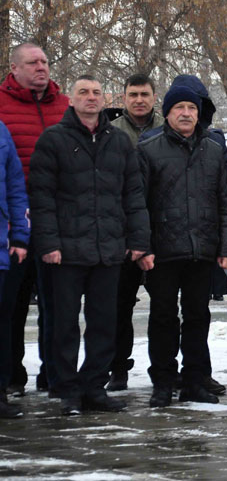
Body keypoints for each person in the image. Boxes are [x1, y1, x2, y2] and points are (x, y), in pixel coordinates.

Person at [29, 75, 150, 415]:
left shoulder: (119, 142)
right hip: (65, 252)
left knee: (103, 323)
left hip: (108, 250)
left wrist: (138, 241)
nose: (91, 98)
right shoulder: (53, 140)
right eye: (84, 92)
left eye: (96, 92)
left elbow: (133, 195)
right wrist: (48, 242)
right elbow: (41, 198)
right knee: (63, 324)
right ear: (72, 99)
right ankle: (66, 389)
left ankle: (94, 386)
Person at [137, 85, 227, 407]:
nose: (185, 113)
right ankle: (163, 382)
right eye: (178, 107)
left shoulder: (213, 149)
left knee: (198, 316)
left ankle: (195, 381)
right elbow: (139, 202)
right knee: (163, 317)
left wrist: (224, 248)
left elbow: (225, 201)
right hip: (162, 251)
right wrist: (143, 247)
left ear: (199, 114)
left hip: (202, 248)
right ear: (166, 112)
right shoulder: (149, 149)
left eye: (191, 108)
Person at [0, 41, 69, 397]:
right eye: (33, 63)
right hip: (12, 223)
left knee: (56, 305)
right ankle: (11, 375)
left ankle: (54, 374)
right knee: (10, 304)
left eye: (44, 61)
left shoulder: (65, 105)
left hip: (56, 221)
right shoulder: (1, 105)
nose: (41, 67)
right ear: (14, 69)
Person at [105, 73, 164, 392]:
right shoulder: (111, 132)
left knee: (165, 306)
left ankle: (164, 368)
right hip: (123, 231)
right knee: (120, 304)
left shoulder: (165, 128)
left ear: (154, 97)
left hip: (162, 229)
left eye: (144, 94)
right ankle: (118, 368)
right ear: (124, 98)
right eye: (133, 94)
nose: (139, 100)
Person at [0, 120, 28, 418]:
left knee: (3, 322)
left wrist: (20, 235)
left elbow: (16, 188)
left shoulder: (2, 133)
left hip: (2, 246)